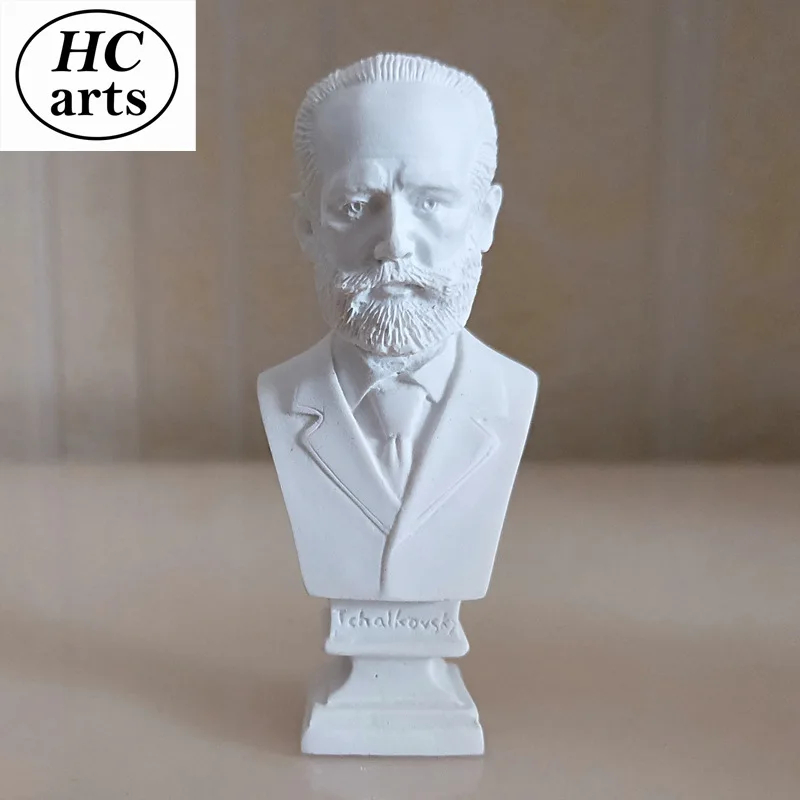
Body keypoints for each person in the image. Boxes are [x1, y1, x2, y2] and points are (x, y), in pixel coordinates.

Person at [258, 53, 539, 601]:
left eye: (431, 202)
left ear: (483, 219)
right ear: (308, 227)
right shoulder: (281, 395)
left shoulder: (513, 392)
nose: (395, 244)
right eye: (356, 205)